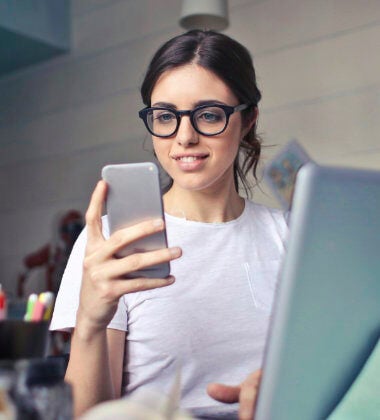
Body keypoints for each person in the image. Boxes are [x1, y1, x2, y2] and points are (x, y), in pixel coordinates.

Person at [50, 30, 287, 419]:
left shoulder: (290, 237)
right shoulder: (113, 242)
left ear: (247, 120)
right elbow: (89, 415)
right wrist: (90, 321)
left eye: (209, 114)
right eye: (165, 117)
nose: (185, 137)